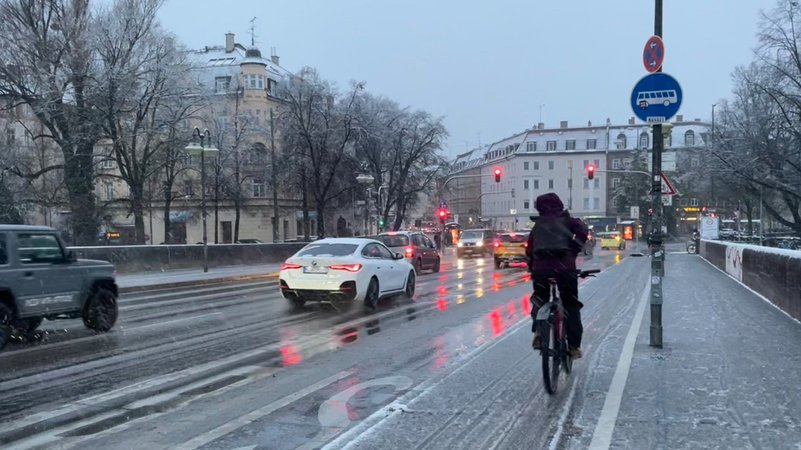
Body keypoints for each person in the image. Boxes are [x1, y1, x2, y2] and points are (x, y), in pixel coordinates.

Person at [525, 192, 589, 359]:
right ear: (559, 204)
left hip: (541, 270)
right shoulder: (568, 220)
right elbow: (583, 230)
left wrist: (532, 269)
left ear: (539, 208)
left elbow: (530, 250)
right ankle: (574, 346)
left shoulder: (537, 226)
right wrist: (574, 249)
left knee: (539, 298)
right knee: (570, 304)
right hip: (565, 269)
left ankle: (539, 332)